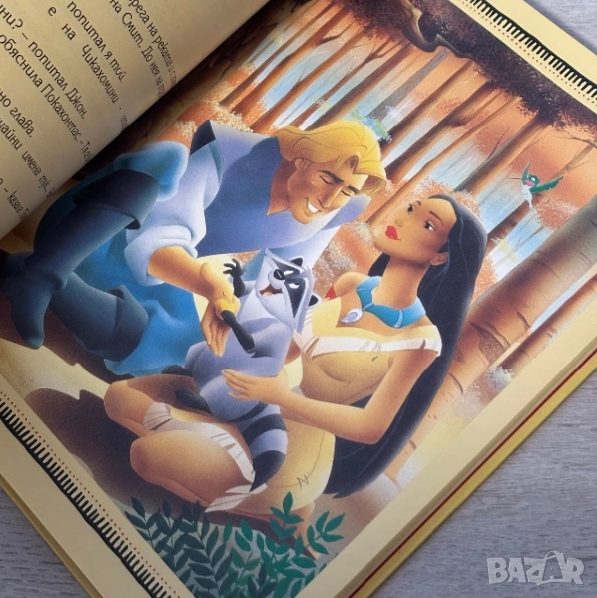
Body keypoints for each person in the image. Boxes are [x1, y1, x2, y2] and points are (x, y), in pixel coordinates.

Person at [104, 194, 487, 516]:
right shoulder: (352, 284)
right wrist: (235, 318)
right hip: (250, 401)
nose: (403, 218)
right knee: (118, 399)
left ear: (441, 256)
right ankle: (204, 434)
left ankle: (268, 499)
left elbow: (370, 426)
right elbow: (286, 349)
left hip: (293, 447)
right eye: (412, 207)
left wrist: (280, 397)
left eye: (427, 224)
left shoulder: (419, 340)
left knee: (146, 455)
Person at [2, 119, 386, 376]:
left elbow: (279, 285)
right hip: (92, 234)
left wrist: (259, 343)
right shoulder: (229, 157)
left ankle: (35, 278)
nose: (332, 199)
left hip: (168, 277)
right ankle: (44, 273)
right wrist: (210, 286)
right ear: (301, 160)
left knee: (186, 338)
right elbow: (157, 238)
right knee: (166, 160)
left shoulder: (331, 213)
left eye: (347, 191)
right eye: (328, 178)